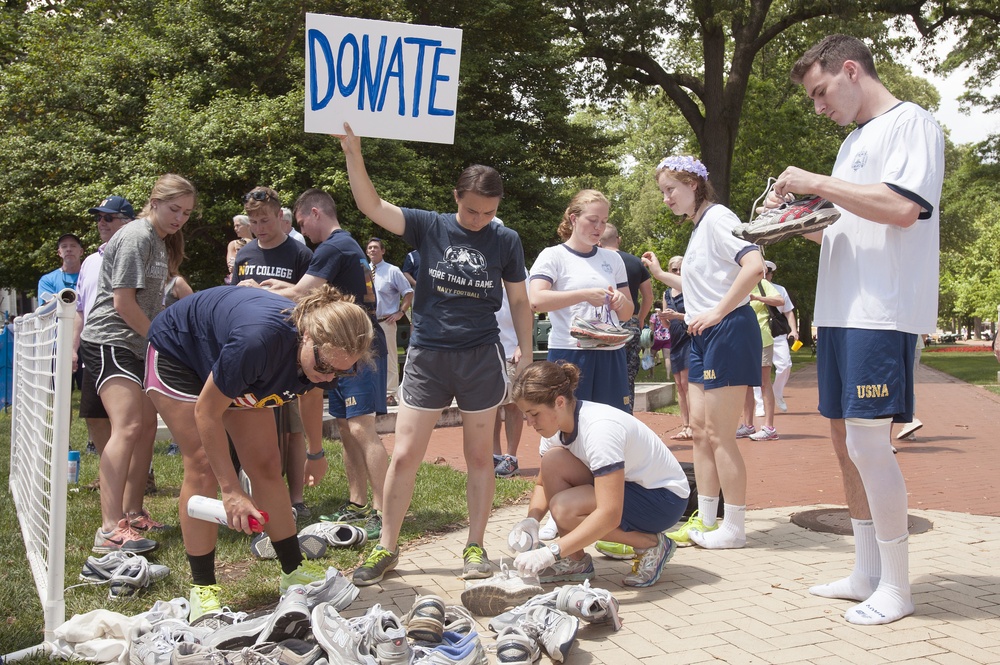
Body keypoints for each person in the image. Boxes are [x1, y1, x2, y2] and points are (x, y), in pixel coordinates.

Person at [774, 34, 944, 624]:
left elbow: (902, 208)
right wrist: (787, 224)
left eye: (821, 92)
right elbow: (843, 230)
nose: (819, 106)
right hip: (840, 309)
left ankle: (898, 587)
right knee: (846, 442)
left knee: (871, 443)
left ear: (851, 70)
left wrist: (815, 182)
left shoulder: (911, 123)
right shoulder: (851, 143)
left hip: (883, 309)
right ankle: (867, 571)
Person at [336, 122, 534, 586]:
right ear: (455, 197)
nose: (479, 220)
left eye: (488, 212)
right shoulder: (430, 226)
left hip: (480, 356)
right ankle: (387, 548)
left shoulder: (506, 240)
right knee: (404, 455)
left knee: (480, 456)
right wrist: (353, 153)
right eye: (471, 210)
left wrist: (526, 352)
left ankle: (475, 546)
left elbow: (521, 300)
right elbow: (372, 205)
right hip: (427, 355)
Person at [145, 285, 373, 618]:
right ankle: (203, 589)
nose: (328, 376)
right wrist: (231, 490)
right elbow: (207, 413)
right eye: (325, 365)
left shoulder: (328, 357)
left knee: (266, 464)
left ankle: (292, 570)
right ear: (307, 336)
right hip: (180, 351)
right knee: (204, 465)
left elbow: (311, 393)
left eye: (342, 371)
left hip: (237, 360)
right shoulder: (259, 343)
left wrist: (315, 451)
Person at [642, 155, 764, 551]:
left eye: (670, 190)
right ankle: (707, 520)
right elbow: (707, 283)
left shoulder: (719, 219)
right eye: (663, 192)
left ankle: (735, 527)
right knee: (699, 430)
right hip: (703, 335)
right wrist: (662, 277)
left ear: (693, 184)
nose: (666, 199)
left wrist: (717, 312)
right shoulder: (699, 228)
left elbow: (754, 267)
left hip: (727, 331)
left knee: (720, 433)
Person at [264, 188, 389, 542]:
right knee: (347, 429)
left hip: (357, 345)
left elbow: (303, 293)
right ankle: (358, 502)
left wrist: (256, 292)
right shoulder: (346, 245)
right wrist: (284, 286)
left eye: (303, 223)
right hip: (342, 343)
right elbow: (316, 292)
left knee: (363, 428)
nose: (303, 232)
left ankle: (383, 510)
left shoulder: (333, 246)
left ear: (315, 213)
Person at [79, 174, 195, 553]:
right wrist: (161, 340)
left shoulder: (161, 242)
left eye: (186, 213)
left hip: (138, 342)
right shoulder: (136, 236)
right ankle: (109, 530)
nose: (179, 218)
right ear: (154, 202)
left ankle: (132, 512)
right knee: (127, 426)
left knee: (146, 428)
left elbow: (150, 302)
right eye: (174, 209)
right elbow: (122, 304)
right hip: (111, 340)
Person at [508, 361, 689, 587]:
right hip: (632, 487)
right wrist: (531, 520)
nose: (529, 423)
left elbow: (609, 513)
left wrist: (552, 552)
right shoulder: (554, 427)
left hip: (663, 500)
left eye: (534, 414)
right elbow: (543, 484)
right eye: (526, 415)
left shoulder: (600, 430)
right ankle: (576, 562)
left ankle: (652, 544)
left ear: (559, 402)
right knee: (553, 462)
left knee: (565, 508)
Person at [234, 187, 315, 519]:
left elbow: (312, 302)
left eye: (264, 220)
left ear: (280, 217)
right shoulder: (244, 255)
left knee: (293, 429)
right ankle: (255, 492)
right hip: (252, 352)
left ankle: (296, 498)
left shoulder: (299, 254)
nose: (259, 227)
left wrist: (278, 295)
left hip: (289, 350)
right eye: (253, 221)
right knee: (251, 421)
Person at [528, 190, 634, 412]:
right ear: (574, 219)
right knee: (567, 423)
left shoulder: (613, 259)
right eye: (593, 220)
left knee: (612, 422)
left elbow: (627, 313)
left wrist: (620, 302)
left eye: (604, 222)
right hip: (569, 351)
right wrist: (584, 295)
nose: (599, 228)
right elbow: (536, 300)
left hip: (610, 351)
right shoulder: (553, 255)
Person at [599, 223, 653, 410]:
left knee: (602, 374)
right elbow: (648, 296)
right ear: (618, 239)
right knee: (627, 375)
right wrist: (640, 317)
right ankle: (626, 415)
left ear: (599, 241)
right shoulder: (634, 262)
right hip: (629, 321)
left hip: (602, 325)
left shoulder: (597, 261)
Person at [366, 237, 414, 406]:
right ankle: (371, 391)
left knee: (389, 357)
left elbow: (408, 292)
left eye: (376, 247)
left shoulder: (392, 271)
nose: (373, 250)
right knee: (367, 357)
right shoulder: (363, 271)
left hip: (386, 321)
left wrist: (401, 312)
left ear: (383, 251)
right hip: (367, 322)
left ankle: (389, 393)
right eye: (370, 247)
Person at [737, 276, 784, 441]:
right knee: (746, 383)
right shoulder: (735, 283)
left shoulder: (761, 284)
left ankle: (769, 427)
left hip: (762, 339)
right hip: (742, 340)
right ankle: (748, 425)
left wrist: (756, 297)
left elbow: (780, 300)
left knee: (764, 383)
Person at [753, 261, 798, 416]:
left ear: (771, 274)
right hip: (758, 333)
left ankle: (777, 392)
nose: (765, 275)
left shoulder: (779, 290)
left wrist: (794, 330)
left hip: (777, 333)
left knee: (785, 364)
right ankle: (759, 403)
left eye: (767, 273)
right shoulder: (751, 287)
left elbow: (788, 311)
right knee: (757, 370)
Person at [659, 256, 693, 441]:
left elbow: (696, 315)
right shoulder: (666, 293)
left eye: (681, 269)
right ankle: (685, 425)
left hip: (689, 338)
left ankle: (694, 426)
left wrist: (678, 316)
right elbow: (665, 324)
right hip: (675, 340)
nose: (678, 273)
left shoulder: (690, 289)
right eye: (674, 270)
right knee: (679, 385)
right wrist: (662, 316)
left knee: (687, 384)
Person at [38, 232, 84, 305]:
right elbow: (47, 311)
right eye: (64, 246)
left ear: (81, 252)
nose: (69, 249)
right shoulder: (47, 280)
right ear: (59, 253)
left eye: (73, 246)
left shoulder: (91, 276)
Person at [225, 214, 253, 284]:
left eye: (238, 225)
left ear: (248, 226)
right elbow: (231, 266)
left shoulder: (259, 243)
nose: (235, 228)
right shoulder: (233, 244)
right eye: (234, 226)